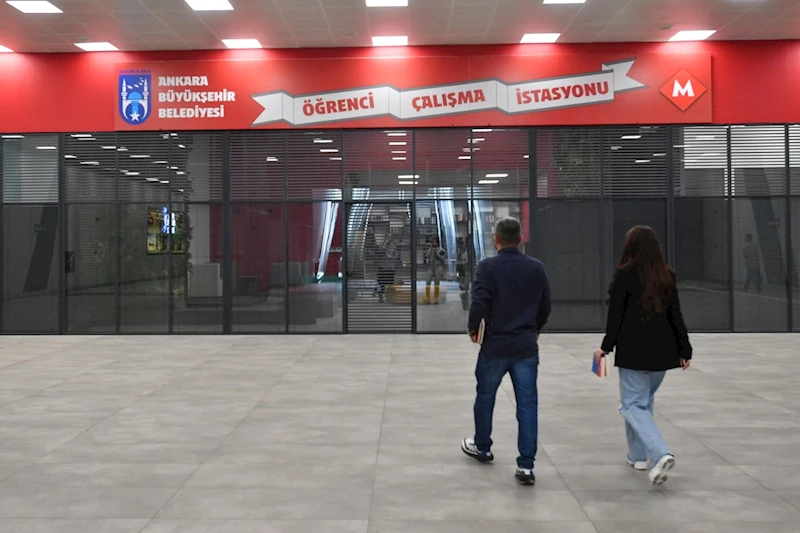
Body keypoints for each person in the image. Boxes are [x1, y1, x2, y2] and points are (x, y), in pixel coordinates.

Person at [596, 226, 692, 486]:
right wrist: (685, 349)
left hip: (634, 353)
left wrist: (606, 346)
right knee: (643, 404)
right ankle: (637, 456)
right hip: (663, 354)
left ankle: (660, 453)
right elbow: (676, 315)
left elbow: (615, 316)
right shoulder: (666, 275)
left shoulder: (624, 274)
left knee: (632, 406)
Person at [461, 217, 551, 486]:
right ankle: (526, 466)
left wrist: (473, 328)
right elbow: (545, 304)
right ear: (520, 239)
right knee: (527, 405)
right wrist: (536, 328)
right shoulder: (536, 267)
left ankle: (482, 447)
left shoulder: (487, 267)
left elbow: (479, 301)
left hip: (495, 346)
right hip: (525, 345)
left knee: (485, 396)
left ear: (496, 239)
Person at [423, 235, 446, 304]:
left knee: (437, 282)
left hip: (438, 267)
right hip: (430, 266)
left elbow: (442, 258)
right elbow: (426, 255)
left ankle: (436, 297)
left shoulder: (441, 250)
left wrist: (436, 252)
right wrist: (431, 249)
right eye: (432, 242)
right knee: (428, 281)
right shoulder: (430, 249)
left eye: (434, 242)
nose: (433, 243)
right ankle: (427, 296)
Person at [377, 235, 396, 303]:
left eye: (390, 237)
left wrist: (391, 257)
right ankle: (381, 297)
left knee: (390, 284)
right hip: (383, 267)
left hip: (390, 267)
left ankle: (390, 298)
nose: (388, 239)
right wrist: (385, 244)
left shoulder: (393, 247)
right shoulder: (382, 245)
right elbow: (380, 252)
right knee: (382, 284)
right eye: (387, 237)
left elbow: (396, 256)